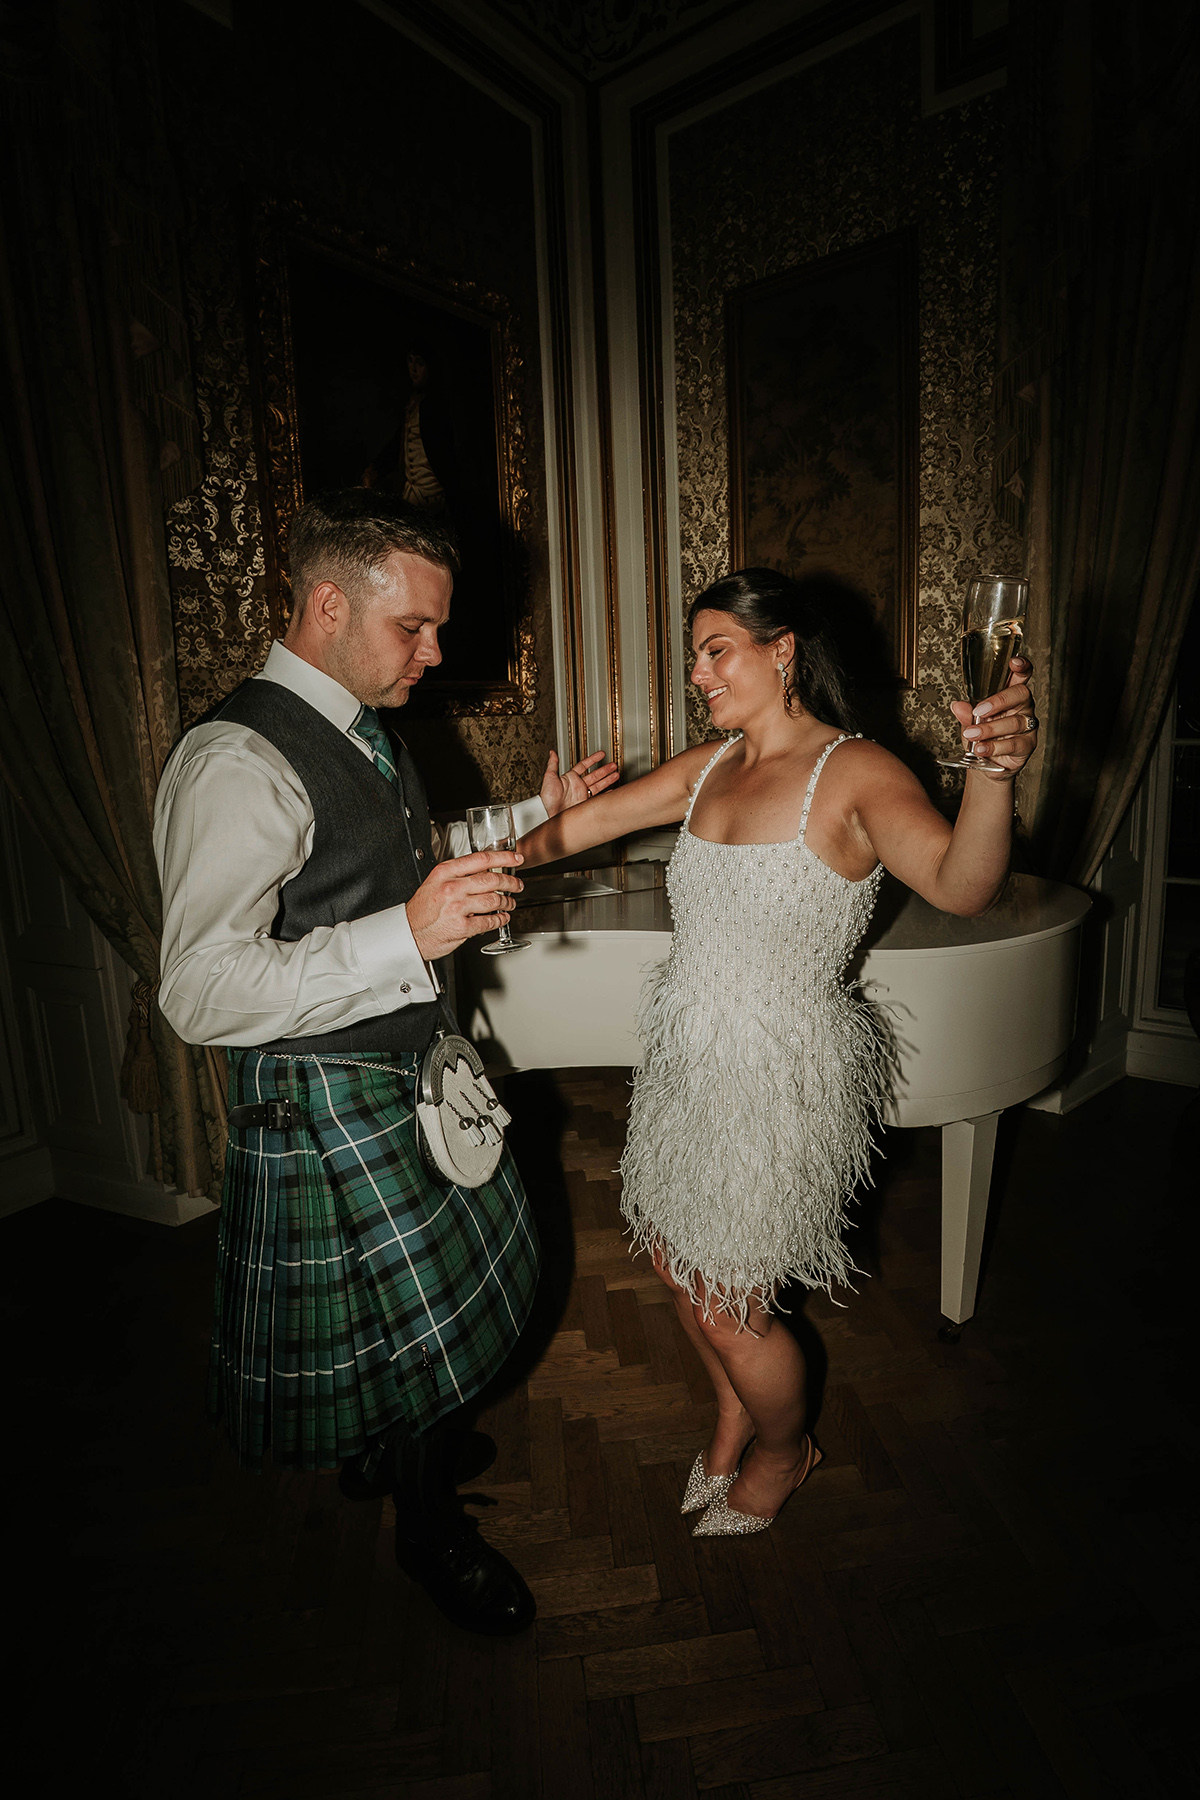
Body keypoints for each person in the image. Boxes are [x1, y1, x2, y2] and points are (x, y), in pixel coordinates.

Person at [152, 488, 616, 1634]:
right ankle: (429, 1532)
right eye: (414, 625)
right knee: (419, 1338)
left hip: (397, 1070)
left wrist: (530, 817)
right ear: (325, 603)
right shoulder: (235, 763)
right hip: (319, 1096)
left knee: (414, 1324)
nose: (436, 650)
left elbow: (405, 854)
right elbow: (198, 989)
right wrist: (403, 938)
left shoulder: (363, 723)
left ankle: (394, 1453)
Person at [516, 567, 1038, 1536]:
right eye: (696, 658)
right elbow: (584, 827)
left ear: (782, 648)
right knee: (677, 1263)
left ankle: (784, 1447)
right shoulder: (708, 768)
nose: (700, 675)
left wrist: (992, 778)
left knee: (733, 1306)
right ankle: (732, 1408)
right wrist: (530, 831)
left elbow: (963, 883)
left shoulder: (858, 772)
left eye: (718, 651)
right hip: (686, 1063)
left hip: (778, 1079)